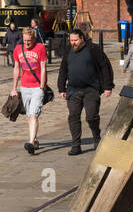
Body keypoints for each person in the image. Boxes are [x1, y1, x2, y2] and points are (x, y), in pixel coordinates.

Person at [57, 28, 115, 155]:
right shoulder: (68, 50)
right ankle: (76, 145)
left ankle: (96, 137)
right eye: (71, 40)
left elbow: (104, 66)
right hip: (73, 90)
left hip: (91, 89)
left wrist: (107, 86)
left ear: (82, 38)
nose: (73, 43)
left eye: (75, 40)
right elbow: (63, 68)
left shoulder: (93, 49)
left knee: (91, 116)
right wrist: (61, 87)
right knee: (73, 116)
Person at [10, 26, 48, 156]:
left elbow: (43, 68)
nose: (27, 43)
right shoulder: (17, 49)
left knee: (34, 114)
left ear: (34, 39)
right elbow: (16, 69)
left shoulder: (40, 48)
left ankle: (31, 142)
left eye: (29, 41)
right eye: (25, 40)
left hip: (37, 86)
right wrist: (14, 88)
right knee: (29, 115)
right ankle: (35, 139)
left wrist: (42, 86)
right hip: (25, 86)